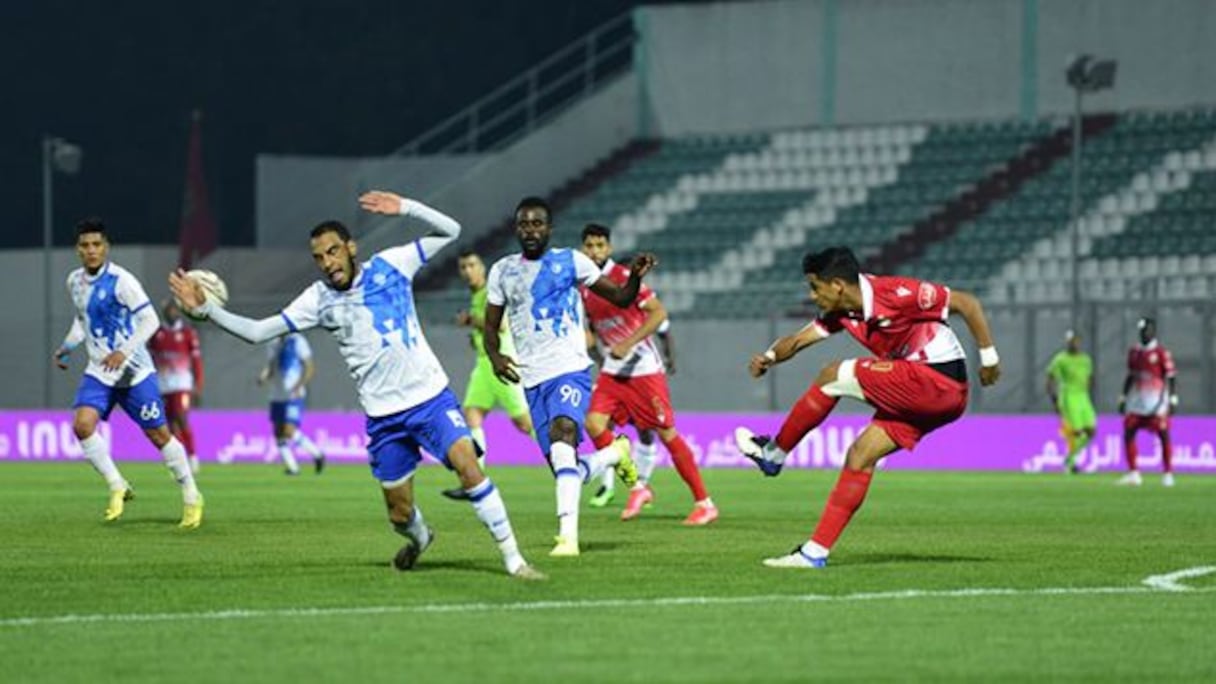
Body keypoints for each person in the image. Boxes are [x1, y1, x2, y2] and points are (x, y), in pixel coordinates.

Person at [169, 190, 543, 579]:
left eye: (332, 252)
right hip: (383, 418)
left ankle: (514, 561)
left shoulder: (392, 264)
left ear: (350, 248)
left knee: (468, 465)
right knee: (399, 514)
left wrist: (406, 209)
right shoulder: (317, 299)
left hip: (430, 399)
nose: (327, 263)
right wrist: (207, 310)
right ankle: (420, 539)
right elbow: (259, 331)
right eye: (319, 258)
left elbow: (452, 230)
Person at [734, 246, 1000, 568]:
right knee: (860, 456)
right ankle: (813, 553)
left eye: (815, 287)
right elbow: (798, 340)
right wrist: (770, 357)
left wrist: (988, 359)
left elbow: (967, 303)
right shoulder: (842, 313)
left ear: (837, 286)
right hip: (932, 397)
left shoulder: (897, 293)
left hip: (936, 379)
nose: (812, 295)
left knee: (832, 375)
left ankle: (773, 454)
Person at [484, 196, 655, 557]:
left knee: (564, 437)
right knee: (566, 467)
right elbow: (490, 325)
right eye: (524, 224)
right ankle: (613, 455)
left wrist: (636, 276)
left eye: (537, 224)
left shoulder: (571, 262)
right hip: (532, 381)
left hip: (570, 370)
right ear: (517, 229)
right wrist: (495, 354)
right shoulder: (502, 270)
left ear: (549, 229)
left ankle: (567, 538)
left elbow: (623, 298)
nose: (530, 230)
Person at [53, 218, 204, 527]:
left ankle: (191, 494)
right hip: (99, 371)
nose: (91, 250)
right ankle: (117, 485)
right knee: (82, 426)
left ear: (106, 247)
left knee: (159, 435)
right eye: (85, 245)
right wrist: (67, 346)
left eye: (97, 245)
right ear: (77, 249)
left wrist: (124, 351)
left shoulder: (123, 281)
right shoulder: (74, 282)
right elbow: (83, 320)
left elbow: (150, 321)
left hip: (134, 372)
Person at [579, 223, 716, 524]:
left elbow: (659, 313)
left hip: (643, 368)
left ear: (609, 248)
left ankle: (705, 503)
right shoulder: (584, 286)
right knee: (593, 423)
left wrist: (627, 342)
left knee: (666, 433)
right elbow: (592, 332)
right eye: (589, 245)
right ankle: (639, 486)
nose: (594, 251)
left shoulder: (623, 277)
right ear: (582, 249)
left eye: (600, 245)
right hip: (613, 371)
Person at [441, 250, 535, 501]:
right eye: (463, 267)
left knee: (525, 424)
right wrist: (476, 338)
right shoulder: (475, 295)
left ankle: (566, 452)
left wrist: (472, 320)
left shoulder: (492, 291)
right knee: (471, 414)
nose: (468, 270)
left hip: (501, 362)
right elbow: (486, 329)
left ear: (482, 268)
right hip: (484, 365)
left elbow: (501, 325)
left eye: (472, 265)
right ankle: (475, 480)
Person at [1117, 317, 1178, 487]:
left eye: (1148, 330)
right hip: (1137, 402)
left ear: (1153, 331)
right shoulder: (1134, 352)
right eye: (1142, 330)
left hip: (1156, 403)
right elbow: (1131, 375)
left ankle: (1167, 473)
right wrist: (1123, 397)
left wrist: (1173, 399)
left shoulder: (1161, 353)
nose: (1145, 333)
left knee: (1163, 435)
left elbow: (1171, 377)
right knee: (1128, 432)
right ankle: (1134, 473)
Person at [147, 299, 204, 474]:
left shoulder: (188, 333)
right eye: (170, 310)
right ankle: (179, 462)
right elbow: (150, 360)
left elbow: (196, 361)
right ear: (164, 312)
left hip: (182, 384)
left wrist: (198, 385)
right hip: (163, 386)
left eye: (176, 310)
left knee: (182, 417)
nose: (174, 313)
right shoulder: (156, 334)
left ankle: (193, 457)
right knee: (170, 425)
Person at [257, 332, 327, 475]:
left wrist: (299, 385)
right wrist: (263, 377)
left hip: (293, 394)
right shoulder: (272, 342)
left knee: (289, 430)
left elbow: (309, 366)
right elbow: (271, 365)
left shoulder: (297, 341)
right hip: (277, 394)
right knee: (278, 432)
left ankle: (317, 455)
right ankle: (292, 467)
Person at [1045, 330, 1095, 474]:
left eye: (1076, 340)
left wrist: (1089, 388)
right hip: (1068, 396)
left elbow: (1090, 377)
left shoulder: (1086, 359)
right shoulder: (1060, 359)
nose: (1074, 343)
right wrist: (1054, 400)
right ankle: (1071, 463)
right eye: (1071, 340)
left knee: (1091, 431)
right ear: (1067, 342)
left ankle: (1069, 458)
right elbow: (1050, 379)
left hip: (1083, 397)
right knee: (1077, 432)